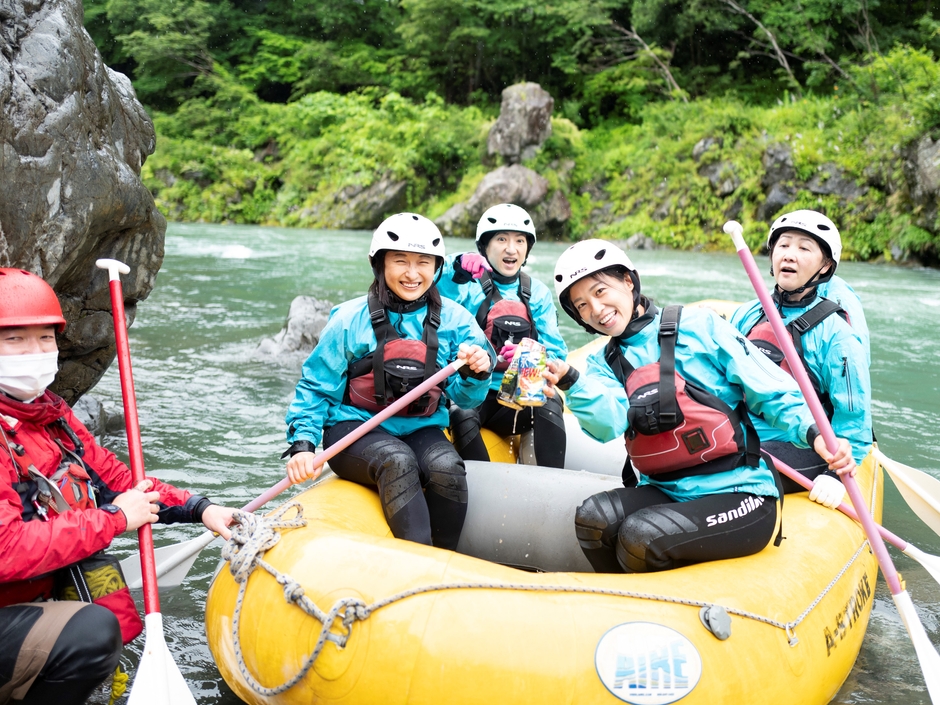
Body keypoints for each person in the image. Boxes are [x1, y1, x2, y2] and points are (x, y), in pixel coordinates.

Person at [541, 240, 856, 574]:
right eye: (582, 306)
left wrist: (814, 434)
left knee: (641, 535)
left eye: (601, 291)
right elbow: (608, 422)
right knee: (594, 519)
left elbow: (768, 389)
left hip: (740, 494)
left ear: (628, 282)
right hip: (666, 490)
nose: (596, 309)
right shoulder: (603, 363)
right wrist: (570, 381)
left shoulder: (698, 326)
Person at [0, 268, 237, 705]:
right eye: (14, 339)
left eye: (44, 338)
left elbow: (122, 484)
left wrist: (200, 508)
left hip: (27, 599)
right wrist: (113, 519)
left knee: (105, 616)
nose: (34, 352)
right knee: (93, 633)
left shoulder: (51, 418)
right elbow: (7, 551)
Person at [284, 213, 494, 550]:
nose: (412, 274)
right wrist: (303, 444)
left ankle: (444, 561)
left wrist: (476, 372)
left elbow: (466, 400)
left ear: (437, 267)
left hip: (420, 427)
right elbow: (315, 387)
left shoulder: (456, 320)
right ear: (379, 264)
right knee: (396, 460)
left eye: (423, 263)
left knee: (447, 468)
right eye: (401, 261)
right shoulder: (349, 319)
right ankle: (417, 561)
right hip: (354, 429)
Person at [730, 210, 872, 509]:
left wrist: (835, 475)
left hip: (805, 444)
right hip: (744, 432)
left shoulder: (837, 335)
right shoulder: (747, 314)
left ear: (825, 267)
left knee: (731, 472)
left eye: (804, 248)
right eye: (783, 245)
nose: (789, 255)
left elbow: (853, 419)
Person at [438, 204, 568, 468]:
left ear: (527, 249)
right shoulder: (465, 285)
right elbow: (428, 286)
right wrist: (457, 266)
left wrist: (529, 357)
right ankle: (482, 489)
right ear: (485, 247)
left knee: (551, 404)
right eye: (501, 240)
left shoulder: (538, 293)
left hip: (522, 394)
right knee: (460, 414)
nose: (511, 249)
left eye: (520, 241)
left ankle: (547, 487)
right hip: (476, 394)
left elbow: (557, 355)